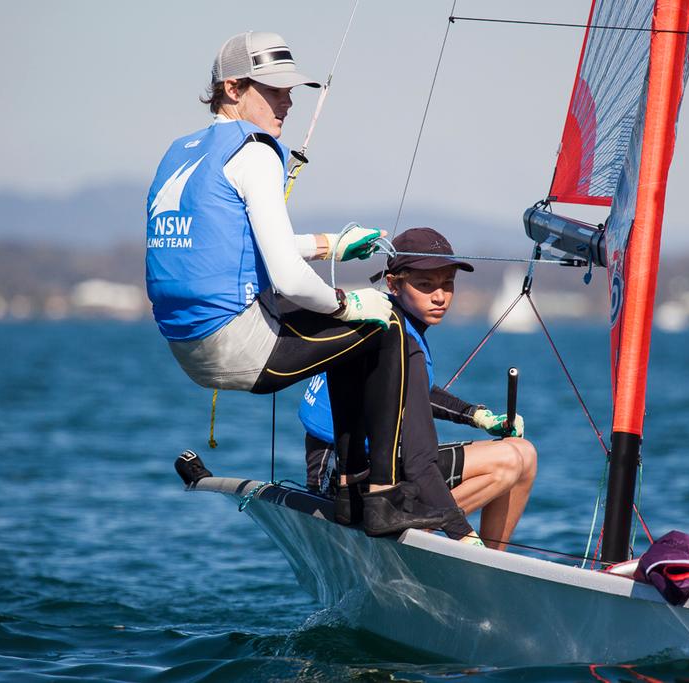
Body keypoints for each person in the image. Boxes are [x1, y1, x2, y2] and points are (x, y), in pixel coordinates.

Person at [146, 31, 457, 536]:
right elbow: (288, 280)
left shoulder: (182, 152)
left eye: (292, 90)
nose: (288, 101)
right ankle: (382, 500)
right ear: (232, 88)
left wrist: (332, 244)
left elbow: (237, 245)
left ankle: (349, 492)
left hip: (187, 348)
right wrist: (346, 302)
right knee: (386, 323)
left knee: (353, 338)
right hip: (238, 345)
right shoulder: (256, 152)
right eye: (274, 90)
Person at [298, 228, 538, 549]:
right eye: (425, 285)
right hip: (346, 481)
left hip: (344, 468)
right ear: (393, 284)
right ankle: (430, 544)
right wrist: (462, 533)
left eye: (447, 284)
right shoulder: (401, 341)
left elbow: (410, 390)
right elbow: (418, 461)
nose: (439, 296)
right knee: (511, 461)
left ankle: (492, 562)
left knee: (523, 455)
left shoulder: (382, 314)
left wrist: (477, 416)